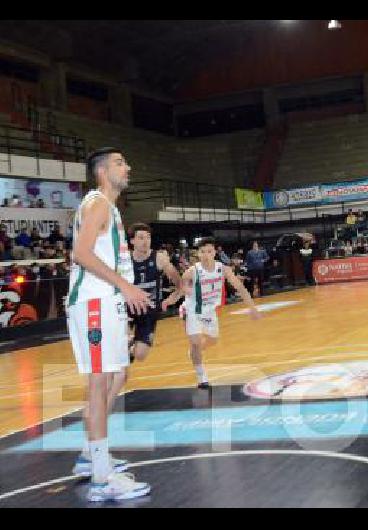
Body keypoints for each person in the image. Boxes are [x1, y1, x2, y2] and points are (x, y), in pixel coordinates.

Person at [65, 147, 152, 501]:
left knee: (118, 376)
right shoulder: (98, 202)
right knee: (99, 384)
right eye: (120, 162)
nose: (127, 166)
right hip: (95, 304)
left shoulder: (106, 206)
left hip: (106, 303)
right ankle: (102, 478)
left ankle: (91, 456)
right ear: (102, 171)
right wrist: (125, 286)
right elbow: (81, 254)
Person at [167, 238, 261, 389]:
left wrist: (252, 307)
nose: (206, 255)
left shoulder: (223, 269)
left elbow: (241, 288)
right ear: (198, 253)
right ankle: (201, 377)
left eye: (209, 251)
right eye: (202, 252)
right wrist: (169, 300)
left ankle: (194, 352)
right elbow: (180, 290)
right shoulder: (191, 272)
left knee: (213, 340)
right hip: (192, 310)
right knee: (196, 342)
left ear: (214, 252)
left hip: (209, 311)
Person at [120, 223, 182, 372]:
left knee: (140, 355)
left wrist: (171, 298)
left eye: (148, 237)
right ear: (132, 241)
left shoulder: (159, 259)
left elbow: (180, 284)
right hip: (126, 309)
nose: (145, 241)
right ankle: (122, 350)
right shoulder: (124, 260)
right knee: (122, 340)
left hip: (149, 312)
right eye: (141, 238)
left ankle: (131, 349)